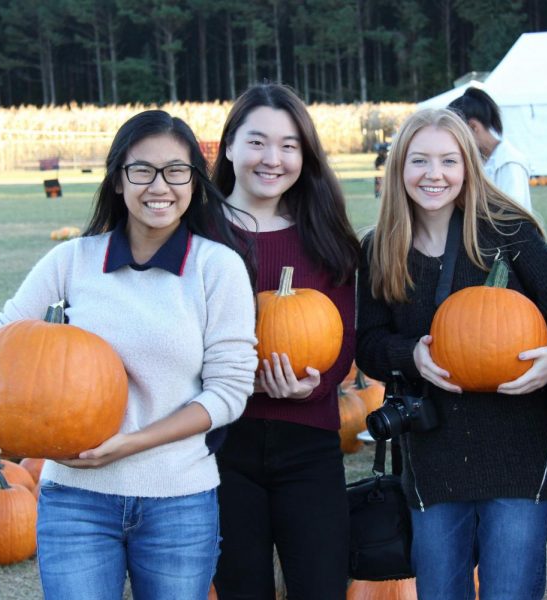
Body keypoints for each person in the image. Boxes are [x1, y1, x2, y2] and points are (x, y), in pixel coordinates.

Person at [0, 110, 258, 599]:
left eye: (176, 171)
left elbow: (230, 392)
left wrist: (133, 442)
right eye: (141, 170)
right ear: (118, 180)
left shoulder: (217, 269)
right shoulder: (73, 261)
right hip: (75, 500)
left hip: (179, 499)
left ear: (195, 181)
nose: (159, 186)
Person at [355, 108, 547, 600]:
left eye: (448, 161)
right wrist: (409, 354)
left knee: (509, 590)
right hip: (433, 455)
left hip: (519, 449)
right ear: (398, 168)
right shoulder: (379, 249)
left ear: (468, 167)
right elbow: (369, 344)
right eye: (419, 161)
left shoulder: (508, 234)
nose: (433, 175)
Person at [210, 83, 360, 600]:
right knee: (240, 589)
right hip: (222, 446)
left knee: (320, 587)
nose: (273, 159)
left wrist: (314, 387)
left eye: (289, 145)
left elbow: (342, 340)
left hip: (310, 446)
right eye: (257, 142)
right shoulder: (198, 232)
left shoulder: (324, 234)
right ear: (228, 146)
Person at [448, 86, 533, 212]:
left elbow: (511, 214)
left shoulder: (509, 163)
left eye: (456, 133)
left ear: (473, 127)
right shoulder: (479, 158)